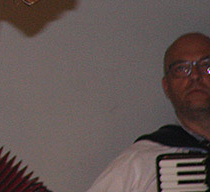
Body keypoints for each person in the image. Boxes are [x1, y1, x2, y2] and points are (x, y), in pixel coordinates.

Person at [86, 32, 210, 192]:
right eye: (181, 68)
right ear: (166, 87)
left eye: (207, 66)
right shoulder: (138, 162)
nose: (195, 76)